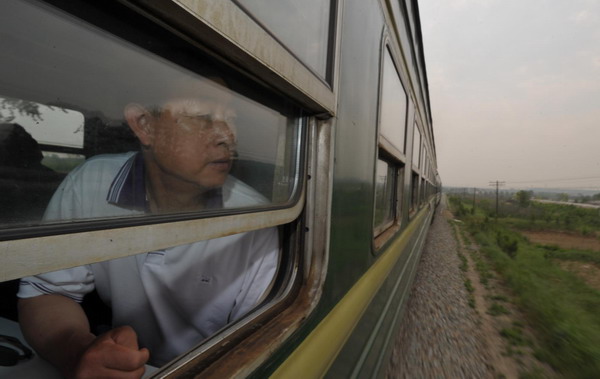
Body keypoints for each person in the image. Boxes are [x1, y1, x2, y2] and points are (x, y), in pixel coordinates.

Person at [17, 94, 279, 378]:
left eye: (232, 119)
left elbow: (256, 343)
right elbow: (49, 292)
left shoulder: (256, 220)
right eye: (202, 117)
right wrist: (79, 353)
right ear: (144, 126)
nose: (228, 136)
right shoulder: (91, 183)